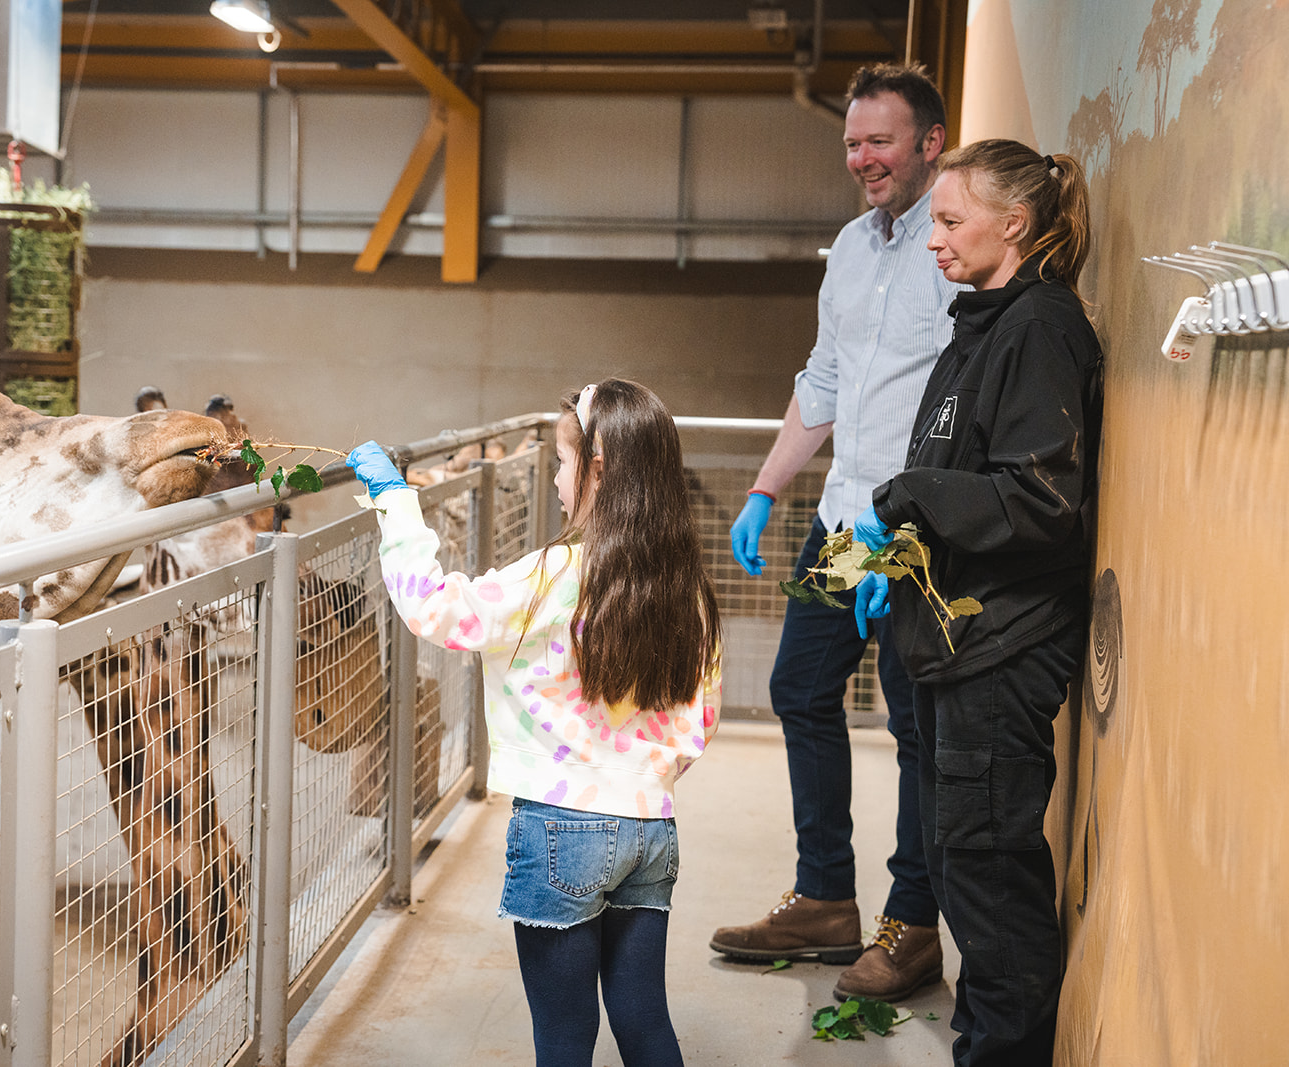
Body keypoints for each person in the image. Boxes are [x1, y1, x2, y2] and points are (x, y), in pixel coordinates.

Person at [347, 378, 721, 1067]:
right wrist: (642, 779)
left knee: (563, 1037)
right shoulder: (687, 587)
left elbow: (435, 609)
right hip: (651, 827)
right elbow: (702, 717)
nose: (553, 475)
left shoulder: (553, 575)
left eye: (560, 459)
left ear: (598, 468)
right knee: (643, 1019)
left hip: (560, 830)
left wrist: (396, 504)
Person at [710, 62, 962, 1003]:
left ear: (929, 143)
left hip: (914, 528)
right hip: (842, 520)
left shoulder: (956, 247)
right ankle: (824, 899)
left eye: (881, 141)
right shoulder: (853, 247)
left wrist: (911, 534)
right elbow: (823, 379)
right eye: (853, 142)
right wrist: (767, 491)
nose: (863, 158)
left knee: (913, 722)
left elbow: (964, 402)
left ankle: (912, 923)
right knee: (799, 687)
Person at [852, 140, 1102, 1065]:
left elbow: (1040, 501)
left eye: (952, 222)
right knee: (965, 873)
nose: (934, 240)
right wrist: (902, 550)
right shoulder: (986, 325)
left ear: (1016, 225)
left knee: (991, 891)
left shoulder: (1040, 330)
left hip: (1003, 647)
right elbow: (972, 475)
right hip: (962, 641)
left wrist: (913, 496)